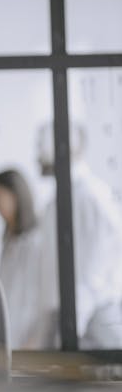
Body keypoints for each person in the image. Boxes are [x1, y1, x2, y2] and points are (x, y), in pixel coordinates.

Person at [37, 122, 122, 347]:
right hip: (71, 320)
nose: (37, 156)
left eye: (41, 147)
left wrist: (72, 326)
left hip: (90, 320)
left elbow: (97, 267)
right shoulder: (59, 200)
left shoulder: (90, 197)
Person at [0, 169, 56, 349]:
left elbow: (46, 300)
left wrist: (35, 341)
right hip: (10, 341)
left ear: (15, 196)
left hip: (30, 343)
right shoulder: (7, 241)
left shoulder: (38, 242)